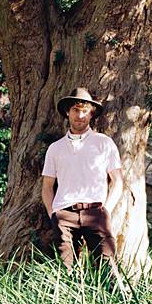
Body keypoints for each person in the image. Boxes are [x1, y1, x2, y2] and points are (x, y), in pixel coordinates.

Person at [42, 87, 123, 276]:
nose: (80, 115)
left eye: (85, 110)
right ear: (68, 113)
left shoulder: (104, 143)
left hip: (96, 212)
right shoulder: (55, 148)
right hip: (64, 215)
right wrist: (53, 213)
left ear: (91, 113)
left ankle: (113, 303)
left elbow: (117, 181)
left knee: (107, 268)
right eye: (76, 110)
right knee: (66, 271)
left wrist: (106, 210)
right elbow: (47, 186)